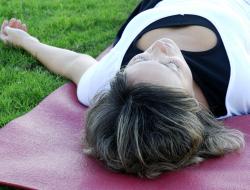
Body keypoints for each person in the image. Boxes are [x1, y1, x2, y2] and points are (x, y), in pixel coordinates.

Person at [1, 0, 249, 178]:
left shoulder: (109, 82)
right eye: (172, 66)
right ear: (191, 105)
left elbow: (74, 63)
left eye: (139, 59)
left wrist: (26, 41)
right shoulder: (241, 85)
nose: (159, 47)